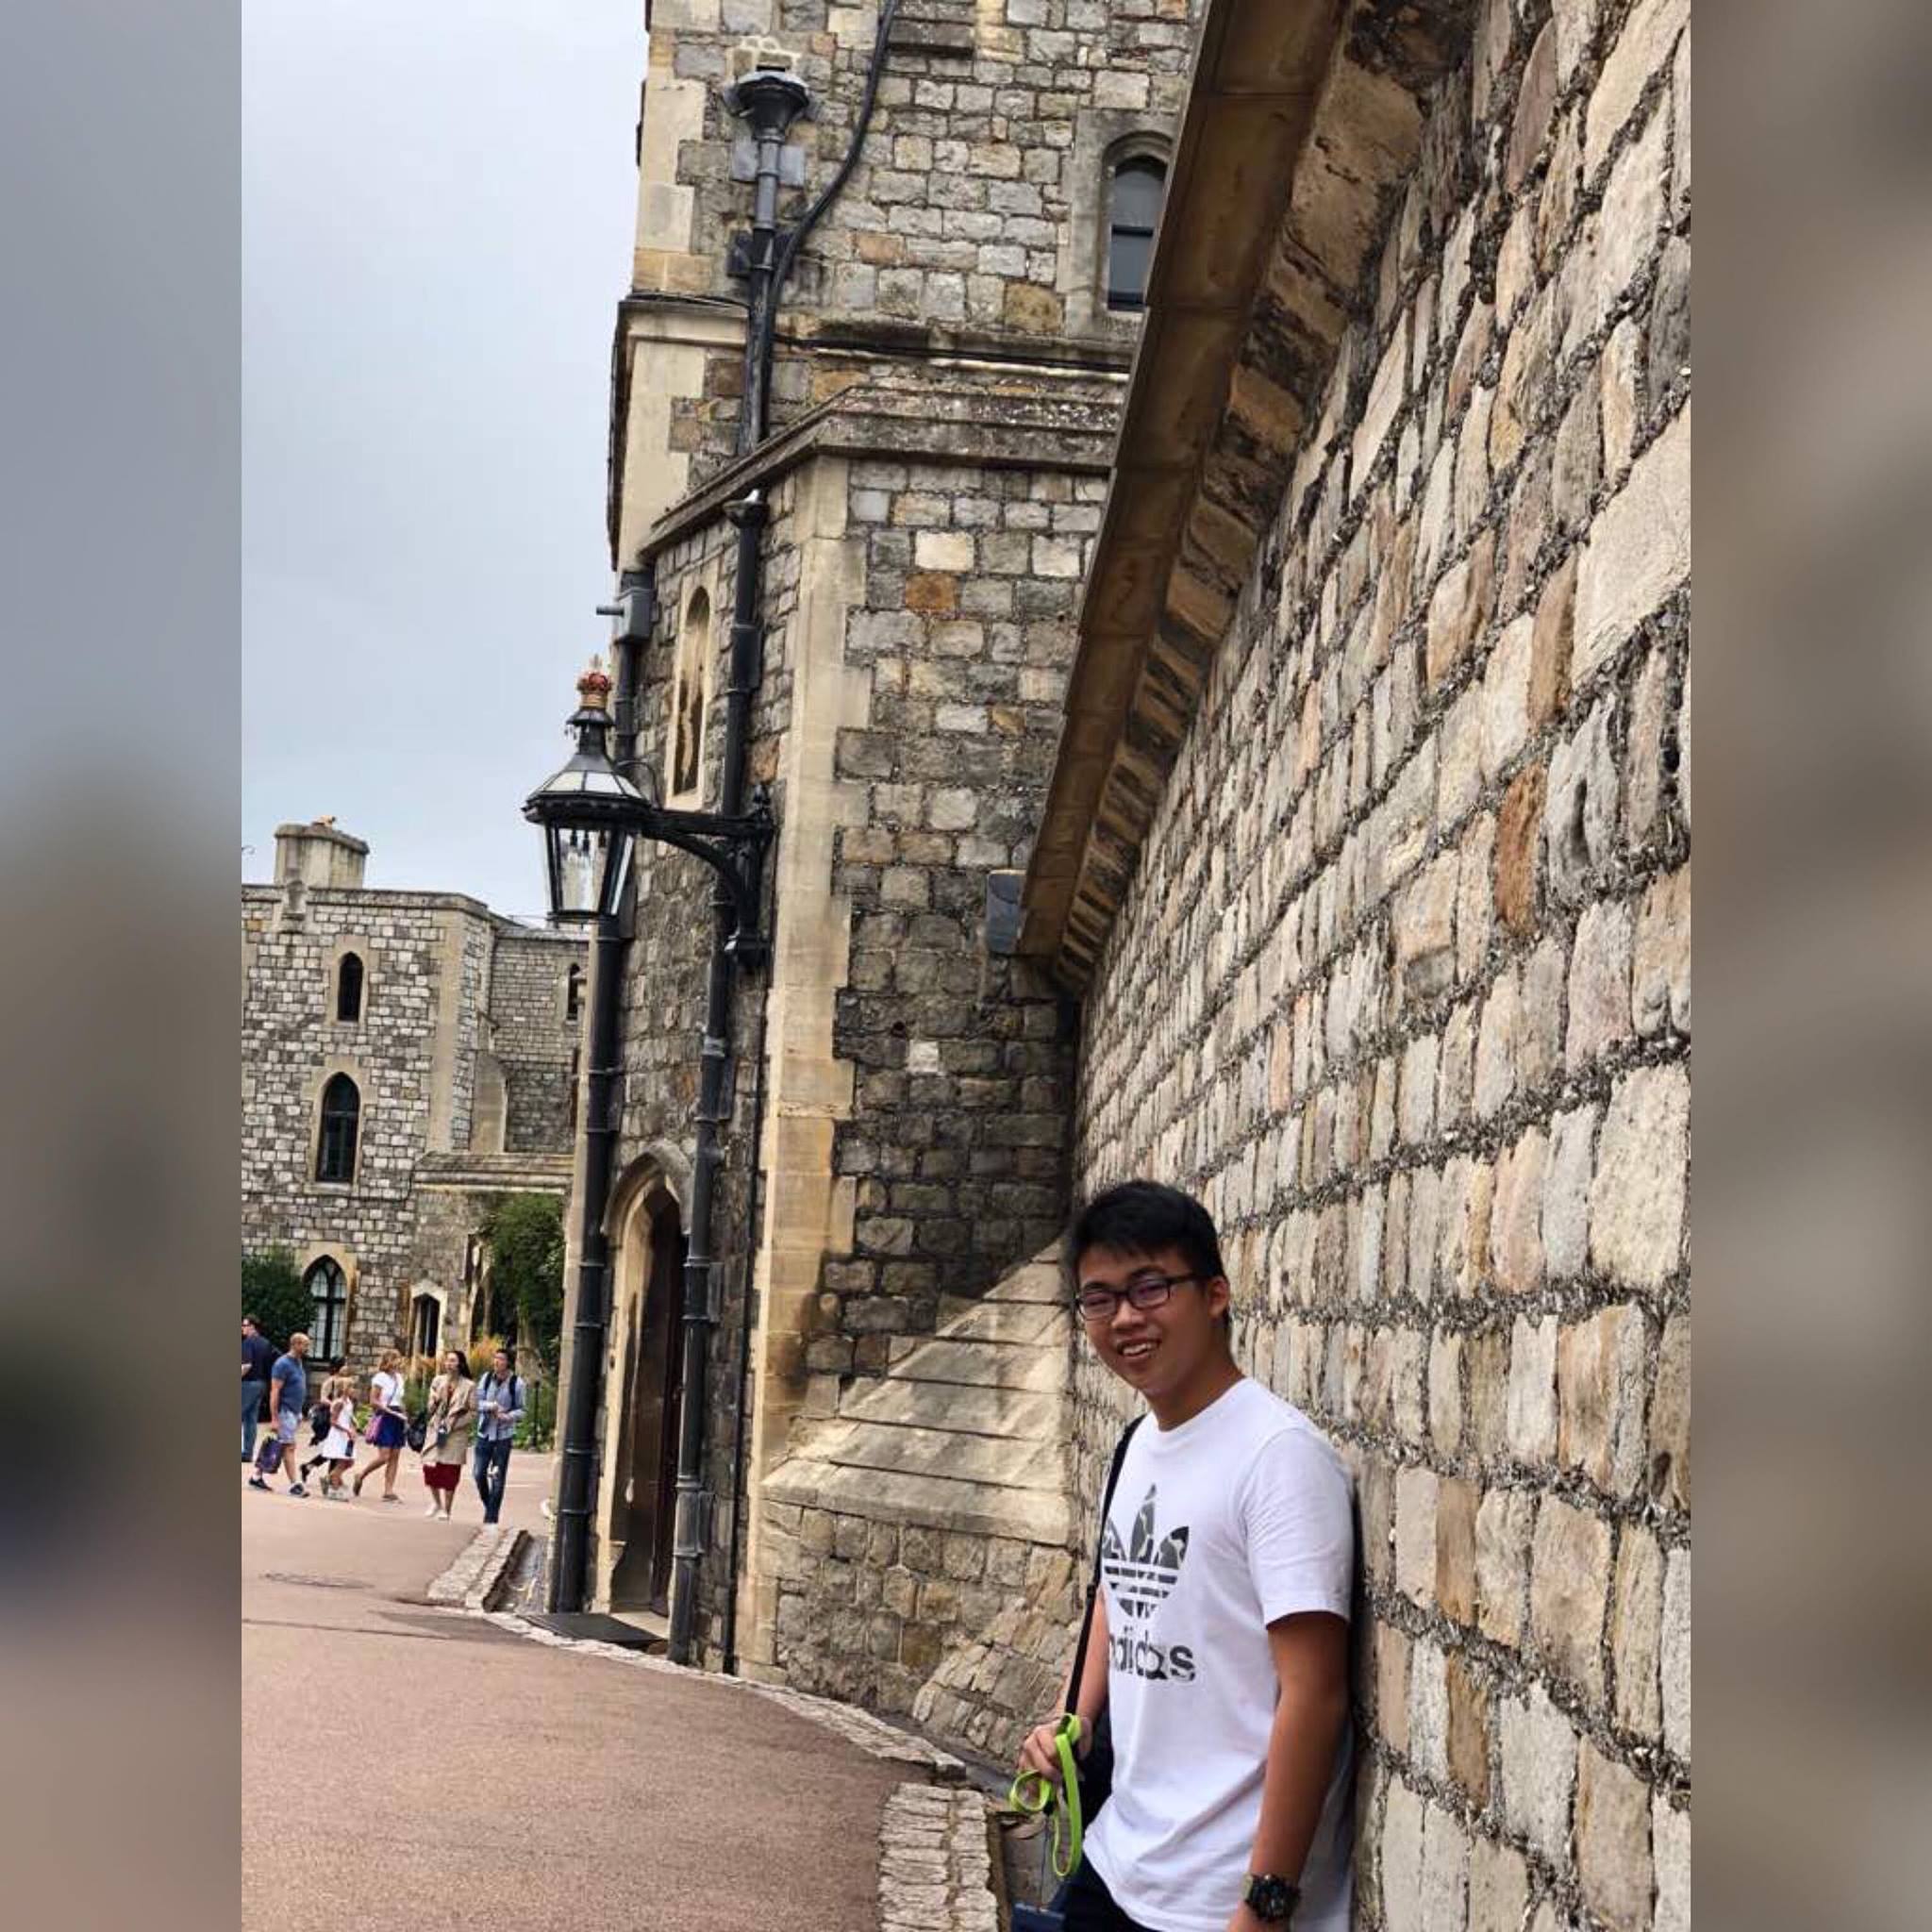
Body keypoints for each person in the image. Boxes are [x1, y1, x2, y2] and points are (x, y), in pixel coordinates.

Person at [1016, 1182, 1356, 1932]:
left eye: (1150, 1287)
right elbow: (1116, 1590)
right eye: (1099, 1299)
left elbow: (1315, 1694)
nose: (1124, 1318)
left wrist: (1264, 1905)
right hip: (1116, 1863)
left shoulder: (1278, 1459)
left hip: (1216, 1901)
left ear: (1215, 1295)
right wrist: (1073, 1717)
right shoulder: (1138, 1444)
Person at [248, 1330, 311, 1497]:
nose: (308, 1348)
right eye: (305, 1345)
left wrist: (299, 1412)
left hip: (293, 1412)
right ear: (295, 1344)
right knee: (289, 1447)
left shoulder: (298, 1362)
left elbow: (296, 1388)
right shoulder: (282, 1364)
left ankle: (256, 1476)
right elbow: (275, 1391)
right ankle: (294, 1485)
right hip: (285, 1411)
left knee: (277, 1444)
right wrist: (275, 1418)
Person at [419, 1348, 476, 1520]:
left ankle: (447, 1509)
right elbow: (430, 1407)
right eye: (447, 1360)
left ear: (460, 1364)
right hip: (436, 1430)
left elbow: (473, 1412)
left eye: (453, 1361)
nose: (449, 1364)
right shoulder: (438, 1381)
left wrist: (456, 1424)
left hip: (455, 1434)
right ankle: (436, 1502)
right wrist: (436, 1399)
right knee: (430, 1468)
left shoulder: (469, 1386)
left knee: (450, 1472)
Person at [473, 1348, 525, 1525]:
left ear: (508, 1362)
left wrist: (508, 1416)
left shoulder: (517, 1384)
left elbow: (522, 1410)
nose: (496, 1361)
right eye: (495, 1358)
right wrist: (491, 1406)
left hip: (503, 1436)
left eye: (501, 1359)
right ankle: (491, 1507)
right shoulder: (486, 1379)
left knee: (497, 1477)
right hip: (484, 1433)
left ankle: (491, 1519)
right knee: (478, 1474)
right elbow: (476, 1402)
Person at [352, 1347, 410, 1503]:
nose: (399, 1362)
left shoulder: (399, 1378)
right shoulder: (380, 1378)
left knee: (395, 1456)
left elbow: (400, 1400)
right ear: (388, 1361)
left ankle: (388, 1491)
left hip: (398, 1416)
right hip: (385, 1416)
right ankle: (361, 1475)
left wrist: (405, 1417)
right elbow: (373, 1401)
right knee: (384, 1456)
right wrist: (389, 1411)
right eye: (396, 1359)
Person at [241, 1316, 275, 1462]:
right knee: (251, 1419)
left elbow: (246, 1365)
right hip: (262, 1384)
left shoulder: (248, 1342)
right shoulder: (266, 1343)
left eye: (244, 1325)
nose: (242, 1328)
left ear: (253, 1326)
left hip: (248, 1384)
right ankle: (247, 1453)